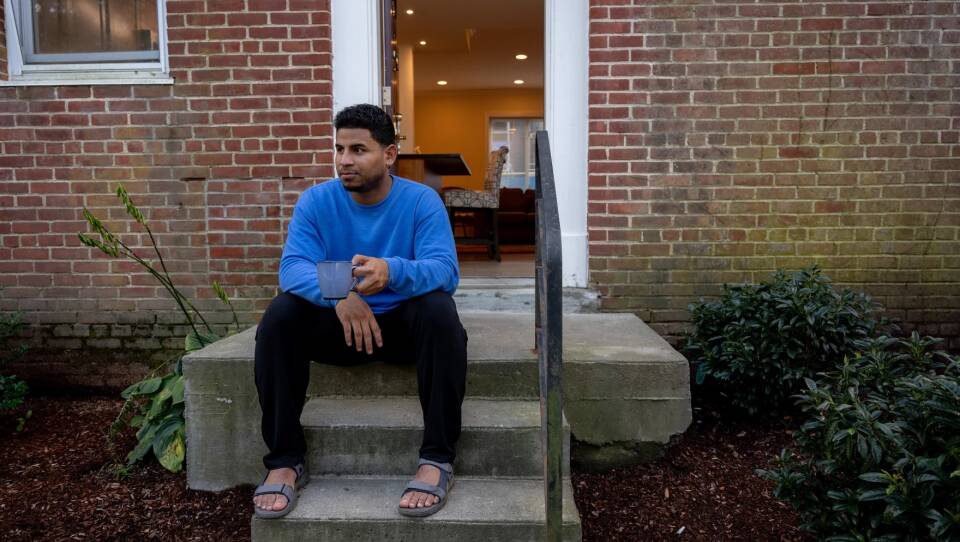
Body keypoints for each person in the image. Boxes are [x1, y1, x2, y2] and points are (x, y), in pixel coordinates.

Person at [251, 104, 467, 519]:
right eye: (338, 148)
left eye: (357, 149)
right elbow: (292, 267)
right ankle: (284, 460)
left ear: (389, 155)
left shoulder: (421, 201)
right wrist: (339, 294)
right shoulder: (316, 202)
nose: (344, 160)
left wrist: (391, 271)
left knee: (440, 312)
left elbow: (445, 270)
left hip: (403, 331)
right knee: (280, 317)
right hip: (341, 332)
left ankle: (436, 459)